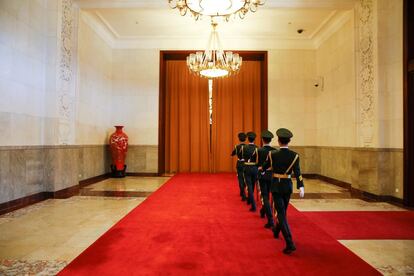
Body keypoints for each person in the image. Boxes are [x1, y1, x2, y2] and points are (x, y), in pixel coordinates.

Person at [261, 128, 305, 254]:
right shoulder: (295, 156)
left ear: (279, 141)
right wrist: (301, 186)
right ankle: (276, 231)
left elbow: (264, 167)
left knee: (281, 213)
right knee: (283, 211)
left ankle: (290, 242)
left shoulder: (272, 154)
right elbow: (298, 172)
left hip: (276, 186)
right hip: (287, 186)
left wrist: (262, 170)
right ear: (289, 141)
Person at [257, 130, 277, 229]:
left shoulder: (259, 150)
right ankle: (263, 210)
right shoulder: (274, 151)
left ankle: (270, 220)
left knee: (265, 196)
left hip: (262, 174)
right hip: (272, 175)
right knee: (269, 195)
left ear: (262, 140)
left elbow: (257, 164)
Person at [242, 132, 259, 212]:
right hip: (255, 168)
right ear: (254, 139)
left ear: (248, 139)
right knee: (252, 185)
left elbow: (242, 157)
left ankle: (253, 204)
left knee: (249, 186)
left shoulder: (244, 147)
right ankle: (250, 199)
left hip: (247, 167)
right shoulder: (257, 148)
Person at [231, 132, 247, 201]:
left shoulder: (237, 147)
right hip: (246, 164)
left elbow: (232, 154)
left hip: (239, 163)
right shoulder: (247, 147)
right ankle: (243, 191)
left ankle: (242, 193)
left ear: (239, 139)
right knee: (245, 178)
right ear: (245, 139)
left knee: (240, 178)